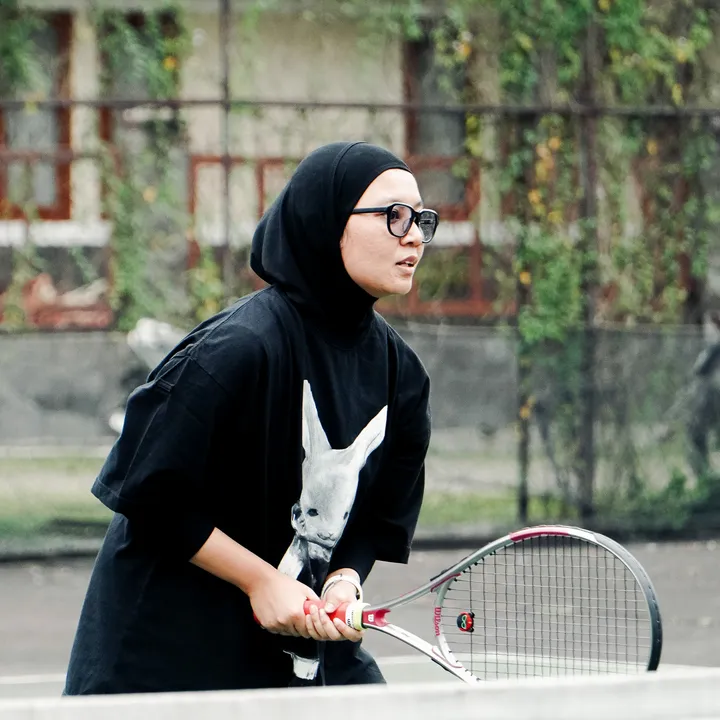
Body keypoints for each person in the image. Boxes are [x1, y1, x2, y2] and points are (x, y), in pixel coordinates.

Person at [63, 141, 438, 694]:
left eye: (422, 220)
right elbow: (147, 491)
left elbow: (376, 520)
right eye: (394, 215)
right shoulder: (239, 348)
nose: (414, 236)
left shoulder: (402, 376)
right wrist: (260, 580)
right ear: (326, 220)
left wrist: (344, 579)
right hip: (161, 666)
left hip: (290, 663)